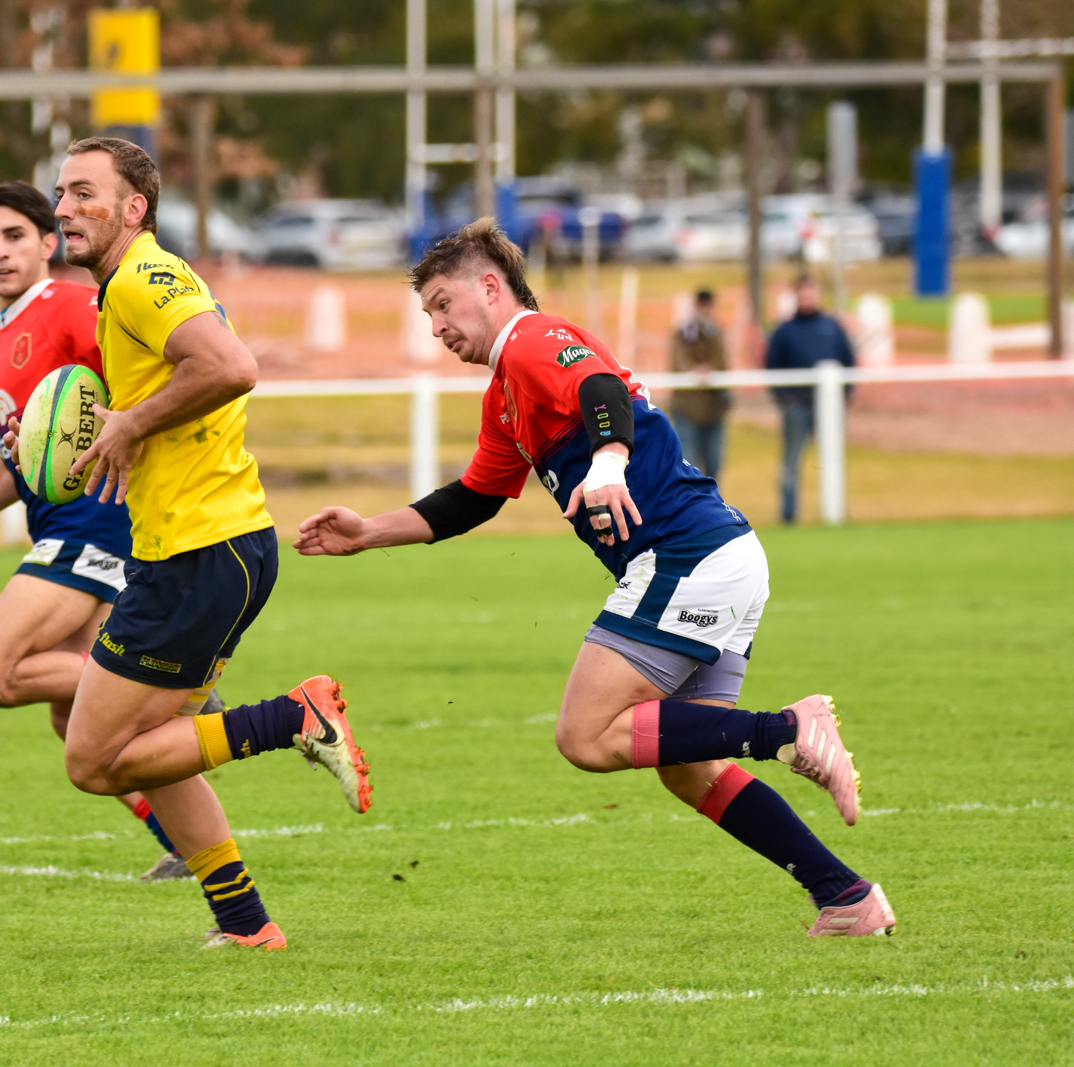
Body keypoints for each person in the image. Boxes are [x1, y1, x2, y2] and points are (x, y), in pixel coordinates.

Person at [295, 219, 895, 938]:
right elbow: (474, 498)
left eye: (443, 304)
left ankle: (791, 728)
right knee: (690, 767)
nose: (436, 326)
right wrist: (369, 533)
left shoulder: (532, 338)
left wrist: (608, 459)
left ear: (490, 287)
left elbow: (600, 385)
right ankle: (846, 896)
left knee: (584, 735)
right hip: (719, 556)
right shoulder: (505, 393)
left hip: (685, 554)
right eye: (427, 313)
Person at [13, 137, 372, 952]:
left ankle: (293, 717)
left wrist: (131, 422)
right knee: (155, 752)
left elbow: (232, 365)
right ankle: (247, 923)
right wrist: (135, 425)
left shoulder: (145, 275)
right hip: (207, 548)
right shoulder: (122, 291)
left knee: (95, 759)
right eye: (59, 193)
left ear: (133, 208)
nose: (62, 207)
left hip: (198, 552)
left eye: (82, 193)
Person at [0, 181, 196, 881]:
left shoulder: (73, 305)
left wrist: (129, 427)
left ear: (48, 242)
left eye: (14, 236)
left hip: (98, 522)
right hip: (65, 526)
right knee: (72, 725)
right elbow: (13, 467)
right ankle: (186, 846)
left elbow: (150, 378)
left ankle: (155, 688)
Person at [765, 276, 855, 524]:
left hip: (829, 406)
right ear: (796, 296)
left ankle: (835, 511)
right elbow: (772, 366)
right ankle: (789, 513)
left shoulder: (832, 326)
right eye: (802, 294)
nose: (807, 298)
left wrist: (842, 396)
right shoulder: (785, 330)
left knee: (832, 456)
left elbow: (848, 361)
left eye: (810, 293)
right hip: (797, 406)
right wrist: (785, 398)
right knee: (792, 460)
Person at [668, 288, 729, 481]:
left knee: (714, 465)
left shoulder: (717, 333)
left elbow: (722, 362)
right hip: (687, 409)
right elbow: (678, 362)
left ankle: (714, 509)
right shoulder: (683, 332)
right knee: (688, 465)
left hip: (714, 409)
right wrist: (696, 371)